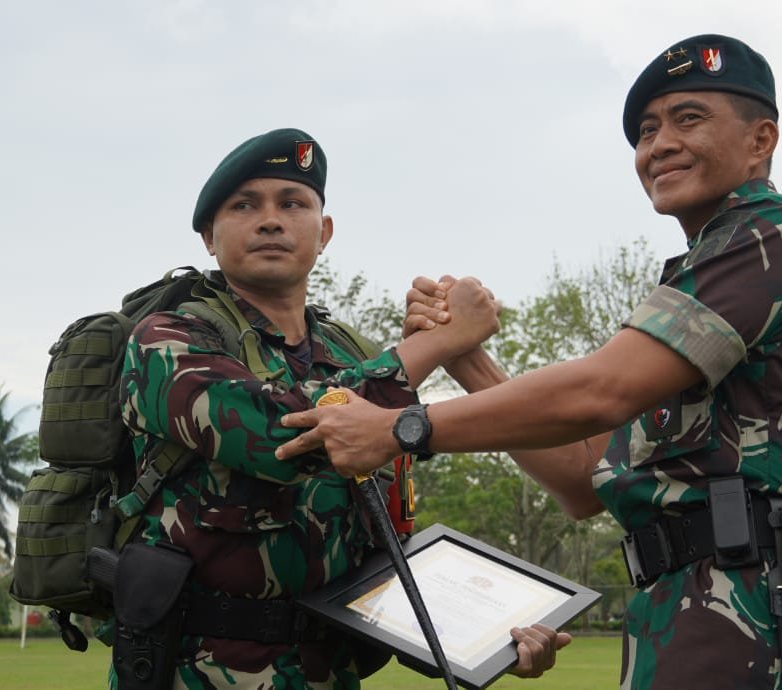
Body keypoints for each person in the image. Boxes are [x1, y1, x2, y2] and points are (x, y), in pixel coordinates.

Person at [277, 35, 782, 690]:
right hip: (685, 605)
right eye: (646, 130)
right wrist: (467, 355)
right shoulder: (702, 278)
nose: (658, 145)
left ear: (760, 141)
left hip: (754, 597)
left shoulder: (769, 233)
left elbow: (601, 391)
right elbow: (583, 478)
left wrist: (399, 430)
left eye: (687, 118)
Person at [113, 128, 568, 690]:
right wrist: (435, 344)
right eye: (245, 205)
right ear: (209, 236)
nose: (272, 219)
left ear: (323, 232)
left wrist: (491, 638)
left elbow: (385, 531)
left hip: (331, 671)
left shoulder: (348, 356)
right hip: (200, 671)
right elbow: (286, 436)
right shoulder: (166, 340)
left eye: (293, 203)